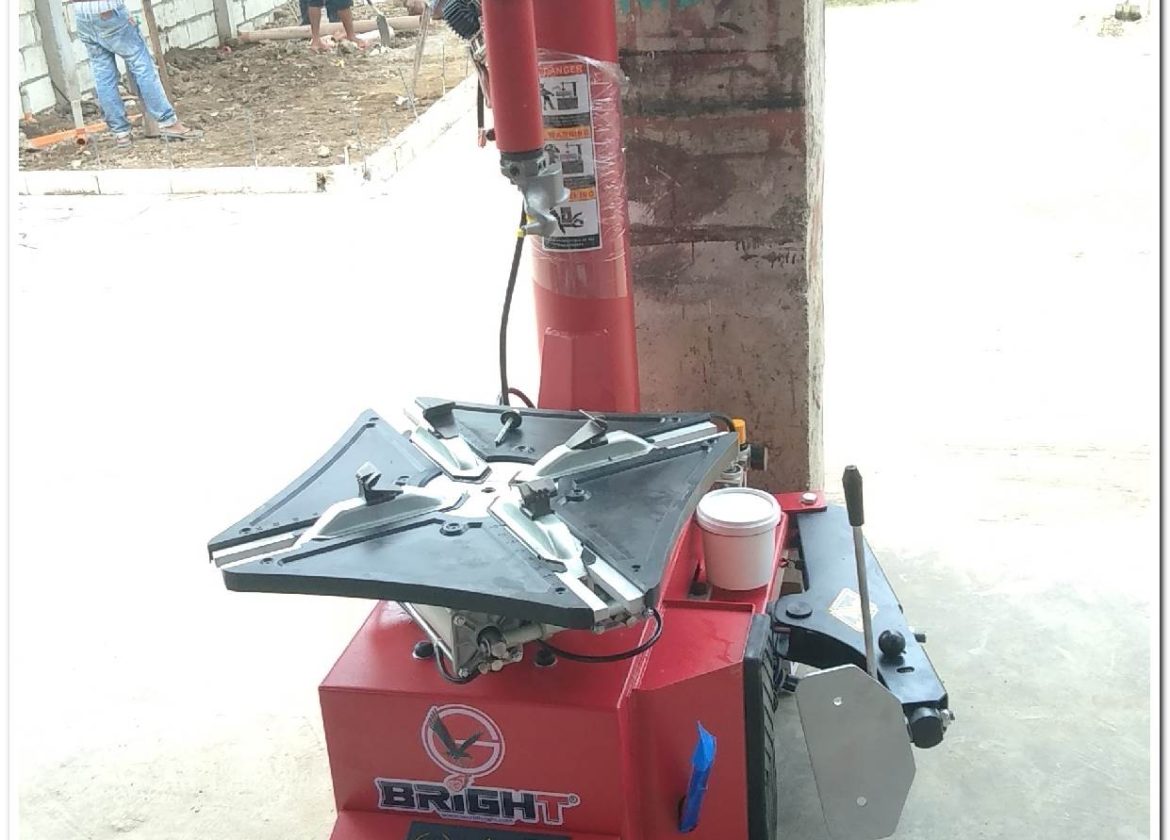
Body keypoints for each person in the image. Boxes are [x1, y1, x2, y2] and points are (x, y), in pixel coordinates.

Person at [69, 0, 200, 147]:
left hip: (82, 16)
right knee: (143, 65)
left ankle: (121, 133)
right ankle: (168, 122)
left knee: (103, 75)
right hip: (109, 12)